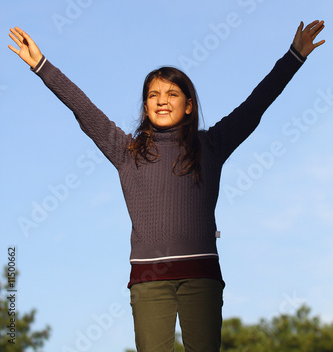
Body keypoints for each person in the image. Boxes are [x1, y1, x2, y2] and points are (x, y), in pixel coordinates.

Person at [8, 21, 325, 352]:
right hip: (149, 280)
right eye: (153, 95)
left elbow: (255, 106)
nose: (161, 100)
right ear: (145, 107)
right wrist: (42, 66)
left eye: (172, 93)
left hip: (201, 275)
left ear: (188, 105)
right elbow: (84, 110)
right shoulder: (126, 151)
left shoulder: (211, 145)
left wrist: (293, 57)